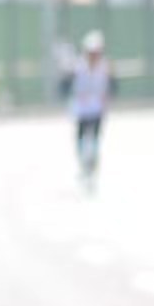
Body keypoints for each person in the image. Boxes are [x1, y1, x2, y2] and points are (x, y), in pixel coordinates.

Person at [68, 31, 113, 189]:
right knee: (80, 139)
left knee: (94, 140)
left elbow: (110, 87)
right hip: (81, 109)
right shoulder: (78, 66)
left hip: (97, 109)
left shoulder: (104, 67)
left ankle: (92, 166)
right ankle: (83, 164)